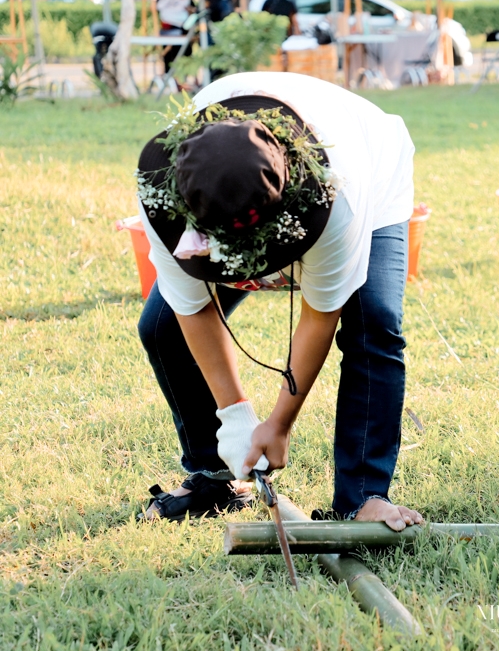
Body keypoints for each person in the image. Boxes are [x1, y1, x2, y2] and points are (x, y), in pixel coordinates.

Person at [135, 71, 423, 532]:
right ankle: (217, 477)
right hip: (234, 203)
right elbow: (192, 308)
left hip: (373, 165)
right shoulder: (166, 192)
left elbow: (318, 317)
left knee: (375, 322)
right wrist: (235, 416)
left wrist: (278, 424)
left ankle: (363, 496)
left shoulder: (337, 197)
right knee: (162, 327)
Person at [156, 0, 195, 74]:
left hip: (182, 29)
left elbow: (194, 12)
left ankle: (185, 75)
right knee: (169, 54)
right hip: (168, 30)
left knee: (184, 53)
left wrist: (190, 10)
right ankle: (169, 75)